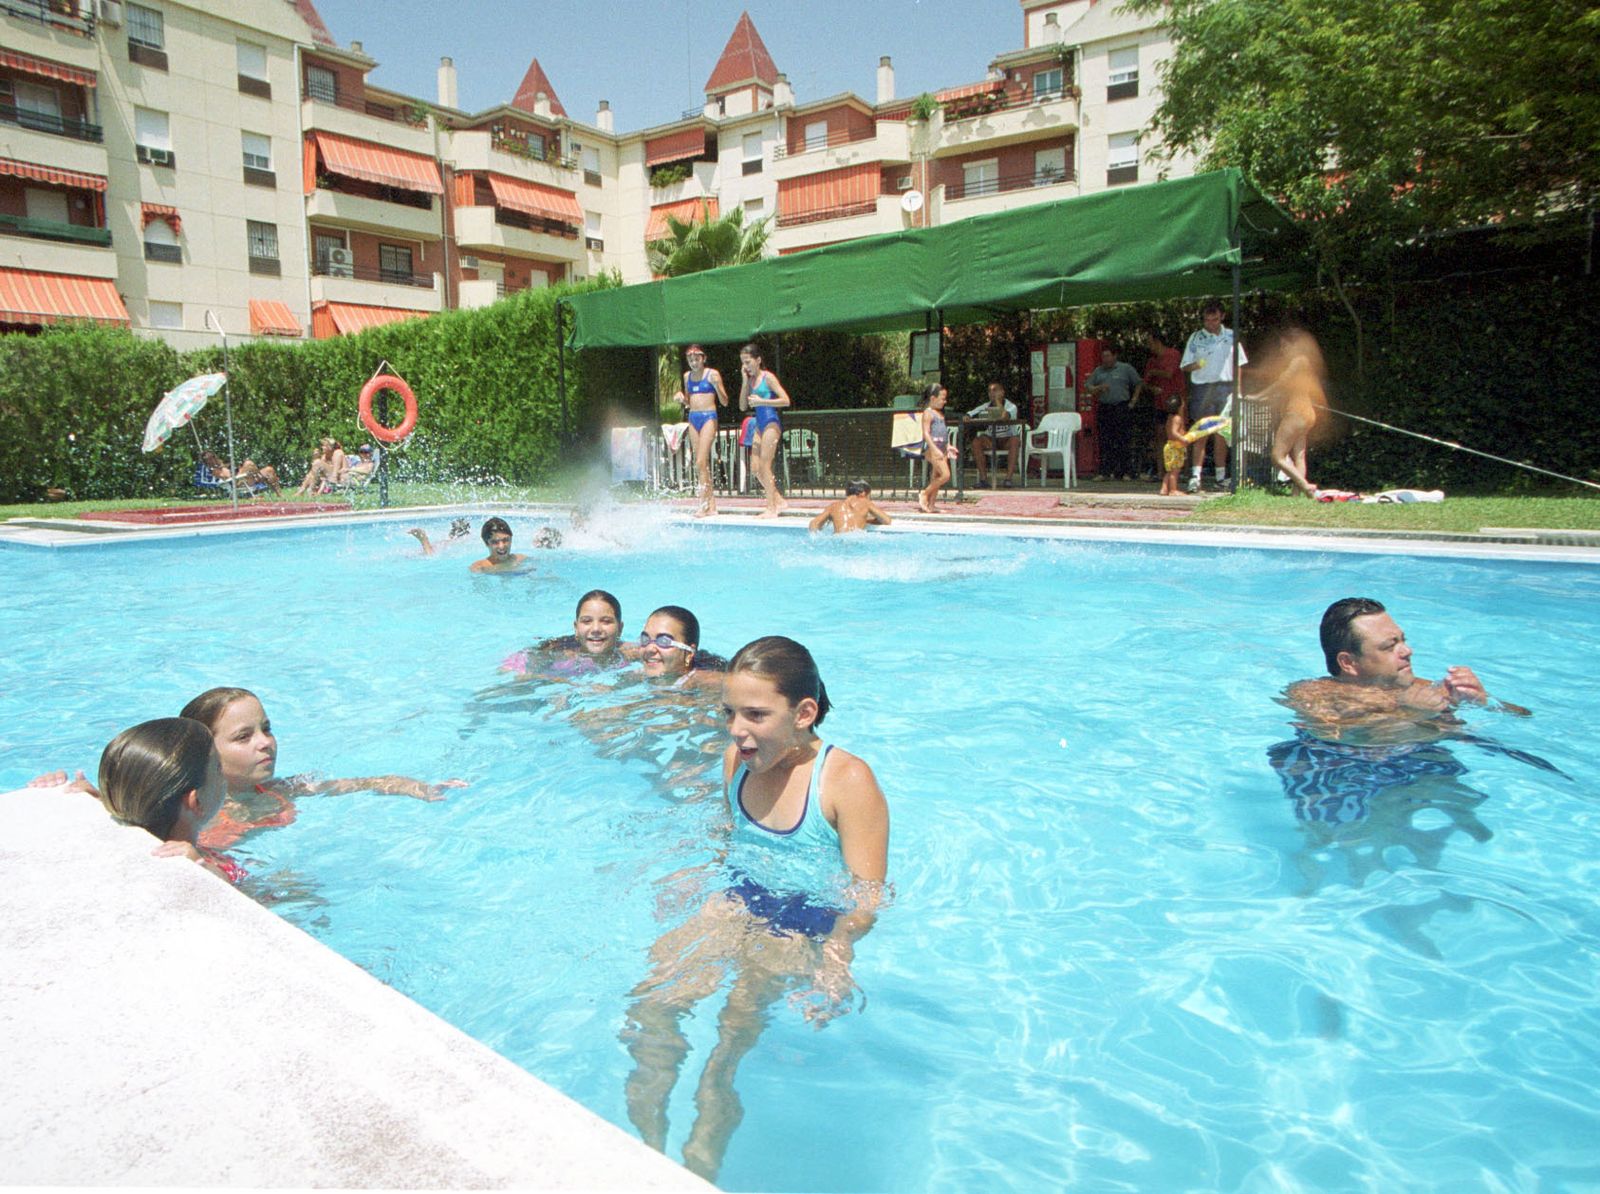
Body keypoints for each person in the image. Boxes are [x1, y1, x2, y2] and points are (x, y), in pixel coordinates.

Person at [621, 636, 889, 1182]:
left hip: (802, 922)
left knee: (726, 1044)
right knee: (650, 1008)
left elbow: (867, 895)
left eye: (756, 715)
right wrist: (692, 871)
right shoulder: (734, 761)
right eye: (729, 713)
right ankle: (641, 1153)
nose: (736, 730)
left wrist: (837, 954)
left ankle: (698, 1167)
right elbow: (729, 838)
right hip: (738, 899)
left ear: (803, 713)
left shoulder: (846, 780)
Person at [177, 686, 463, 854]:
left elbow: (352, 784)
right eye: (243, 737)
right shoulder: (210, 818)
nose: (265, 743)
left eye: (266, 729)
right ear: (205, 753)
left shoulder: (275, 790)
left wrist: (416, 787)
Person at [1282, 598, 1529, 745]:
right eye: (1390, 646)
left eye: (1402, 640)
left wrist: (1484, 702)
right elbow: (1342, 736)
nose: (1407, 651)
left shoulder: (1420, 689)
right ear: (1348, 662)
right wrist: (1410, 714)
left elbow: (1523, 716)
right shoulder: (1311, 694)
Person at [95, 718, 237, 881]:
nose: (224, 772)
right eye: (218, 767)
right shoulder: (197, 862)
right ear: (195, 801)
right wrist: (202, 868)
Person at [1180, 300, 1246, 492]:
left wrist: (1238, 391)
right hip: (1202, 387)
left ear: (1222, 317)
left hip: (1226, 387)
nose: (1211, 324)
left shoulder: (1232, 336)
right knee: (1202, 431)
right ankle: (1195, 476)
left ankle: (1220, 476)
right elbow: (1184, 365)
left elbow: (1239, 364)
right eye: (1207, 320)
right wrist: (1197, 365)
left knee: (1222, 433)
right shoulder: (1196, 337)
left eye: (1215, 319)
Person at [1253, 328, 1327, 498]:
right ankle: (1296, 495)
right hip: (1307, 412)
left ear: (1294, 345)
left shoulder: (1298, 360)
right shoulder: (1305, 362)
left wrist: (1259, 396)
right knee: (1299, 456)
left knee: (1277, 456)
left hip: (1296, 412)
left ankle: (1306, 487)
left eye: (1284, 345)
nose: (1282, 349)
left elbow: (1281, 382)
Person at [504, 589, 629, 678]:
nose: (596, 629)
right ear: (576, 628)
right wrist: (558, 682)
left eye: (606, 621)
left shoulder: (632, 655)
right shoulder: (559, 658)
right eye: (587, 621)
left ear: (620, 628)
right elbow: (517, 675)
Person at [737, 343, 791, 519]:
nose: (745, 366)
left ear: (758, 360)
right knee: (755, 468)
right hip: (759, 425)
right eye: (743, 363)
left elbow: (785, 400)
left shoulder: (768, 378)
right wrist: (745, 383)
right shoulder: (750, 381)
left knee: (765, 465)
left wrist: (762, 401)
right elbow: (742, 406)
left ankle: (771, 508)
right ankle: (778, 499)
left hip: (770, 422)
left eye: (748, 362)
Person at [675, 345, 730, 518]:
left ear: (703, 359)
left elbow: (725, 401)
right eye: (690, 360)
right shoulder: (686, 377)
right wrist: (682, 400)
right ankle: (712, 505)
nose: (693, 362)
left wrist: (716, 386)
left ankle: (703, 504)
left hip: (709, 418)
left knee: (700, 461)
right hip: (693, 418)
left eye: (696, 359)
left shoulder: (712, 374)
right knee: (701, 464)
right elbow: (690, 402)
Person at [1084, 346, 1143, 480]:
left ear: (1114, 356)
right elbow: (1088, 386)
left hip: (1122, 406)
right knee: (1105, 440)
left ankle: (1125, 471)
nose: (1105, 359)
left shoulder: (1125, 368)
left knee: (1123, 439)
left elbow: (1139, 383)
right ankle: (1105, 472)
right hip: (1105, 408)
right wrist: (1099, 388)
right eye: (1103, 357)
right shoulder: (1099, 371)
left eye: (1108, 356)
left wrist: (1133, 401)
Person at [635, 605, 726, 689]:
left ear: (689, 653)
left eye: (664, 641)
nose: (649, 649)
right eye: (645, 639)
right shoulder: (641, 674)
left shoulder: (709, 682)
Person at [903, 382, 956, 514]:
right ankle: (924, 494)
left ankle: (931, 505)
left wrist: (948, 446)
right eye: (943, 398)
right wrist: (934, 449)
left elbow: (942, 433)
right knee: (946, 475)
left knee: (936, 476)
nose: (945, 401)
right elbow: (926, 433)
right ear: (933, 398)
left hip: (941, 448)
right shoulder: (928, 413)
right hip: (933, 449)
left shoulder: (940, 414)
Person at [1137, 331, 1184, 481]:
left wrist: (1153, 372)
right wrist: (1152, 388)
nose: (1149, 346)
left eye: (1150, 342)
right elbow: (1145, 383)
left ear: (1158, 342)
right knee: (1160, 436)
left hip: (1175, 402)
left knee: (1179, 436)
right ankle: (1160, 472)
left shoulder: (1173, 354)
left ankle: (1182, 472)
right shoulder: (1151, 360)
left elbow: (1169, 373)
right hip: (1160, 403)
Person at [966, 381, 1021, 488]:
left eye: (995, 390)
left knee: (1015, 440)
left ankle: (1008, 479)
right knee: (976, 441)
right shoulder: (986, 405)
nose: (992, 393)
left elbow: (1004, 416)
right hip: (991, 439)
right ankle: (983, 480)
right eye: (989, 391)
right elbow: (971, 413)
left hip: (1006, 439)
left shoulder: (1011, 406)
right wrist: (967, 416)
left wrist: (997, 401)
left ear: (1002, 392)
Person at [808, 479, 893, 534]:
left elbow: (814, 524)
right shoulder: (865, 502)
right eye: (869, 496)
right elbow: (887, 520)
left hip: (837, 540)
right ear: (863, 493)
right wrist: (867, 520)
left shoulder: (833, 506)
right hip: (855, 539)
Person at [200, 451, 283, 497]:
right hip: (239, 483)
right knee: (248, 463)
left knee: (269, 469)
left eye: (213, 457)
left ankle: (279, 494)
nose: (213, 460)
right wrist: (240, 470)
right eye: (209, 460)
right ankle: (259, 476)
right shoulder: (215, 470)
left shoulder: (225, 464)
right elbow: (230, 477)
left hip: (248, 478)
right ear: (207, 462)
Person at [1158, 387, 1188, 497]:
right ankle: (1173, 490)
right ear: (1181, 406)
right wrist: (1183, 438)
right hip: (1175, 446)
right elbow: (1174, 432)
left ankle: (1164, 488)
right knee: (1175, 471)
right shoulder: (1177, 419)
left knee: (1169, 470)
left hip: (1170, 446)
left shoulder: (1170, 417)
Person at [407, 517, 473, 555]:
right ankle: (424, 541)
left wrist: (423, 540)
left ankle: (424, 540)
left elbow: (431, 556)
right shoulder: (468, 542)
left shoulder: (453, 542)